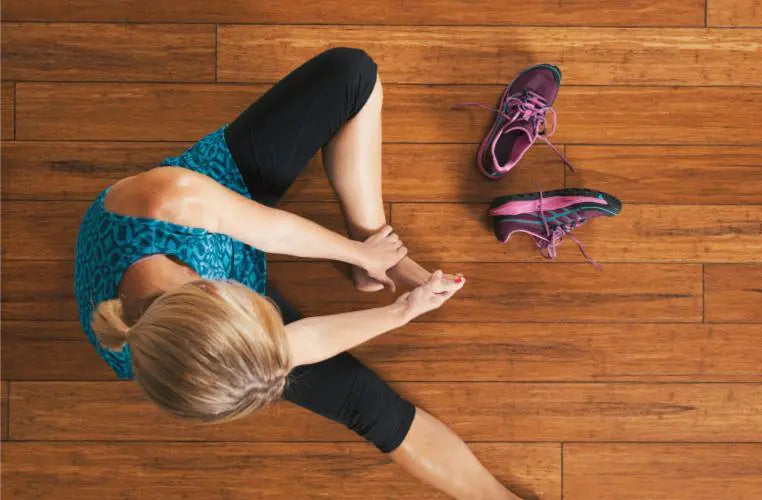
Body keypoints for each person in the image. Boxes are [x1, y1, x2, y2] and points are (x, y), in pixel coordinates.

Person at [74, 47, 519, 499]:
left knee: (352, 74)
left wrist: (363, 250)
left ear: (223, 290)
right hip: (208, 312)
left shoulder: (170, 201)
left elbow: (273, 232)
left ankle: (369, 246)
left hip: (213, 201)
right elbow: (296, 346)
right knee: (366, 405)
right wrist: (403, 310)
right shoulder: (199, 365)